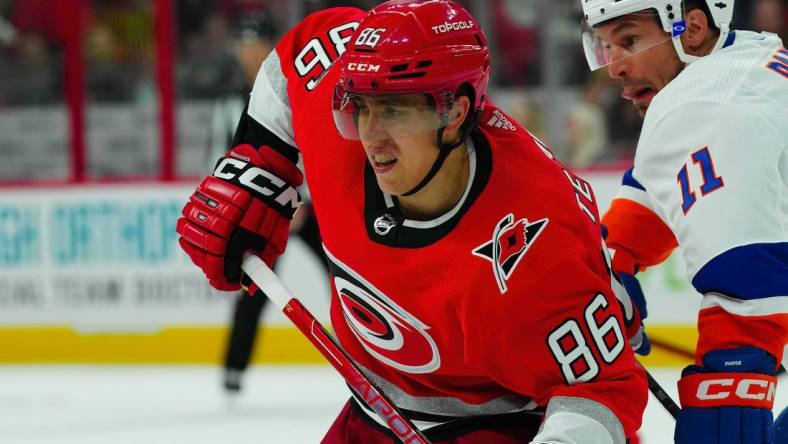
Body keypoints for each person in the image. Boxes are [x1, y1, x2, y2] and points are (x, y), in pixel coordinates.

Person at [177, 1, 649, 442]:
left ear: (455, 113)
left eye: (395, 111)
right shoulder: (339, 129)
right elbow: (302, 49)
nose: (371, 136)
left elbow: (604, 391)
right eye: (361, 107)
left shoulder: (533, 243)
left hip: (495, 421)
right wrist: (257, 167)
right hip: (373, 405)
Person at [578, 0, 788, 443]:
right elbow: (663, 185)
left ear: (691, 28)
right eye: (605, 47)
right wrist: (616, 257)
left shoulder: (704, 102)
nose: (613, 68)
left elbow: (747, 275)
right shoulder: (742, 57)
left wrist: (726, 401)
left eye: (629, 41)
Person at [206, 11, 330, 394]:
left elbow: (313, 148)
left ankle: (372, 354)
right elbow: (219, 155)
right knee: (255, 286)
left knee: (346, 275)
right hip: (259, 209)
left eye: (254, 43)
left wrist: (301, 200)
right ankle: (233, 370)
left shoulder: (298, 87)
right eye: (242, 44)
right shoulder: (228, 100)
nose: (248, 52)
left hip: (304, 207)